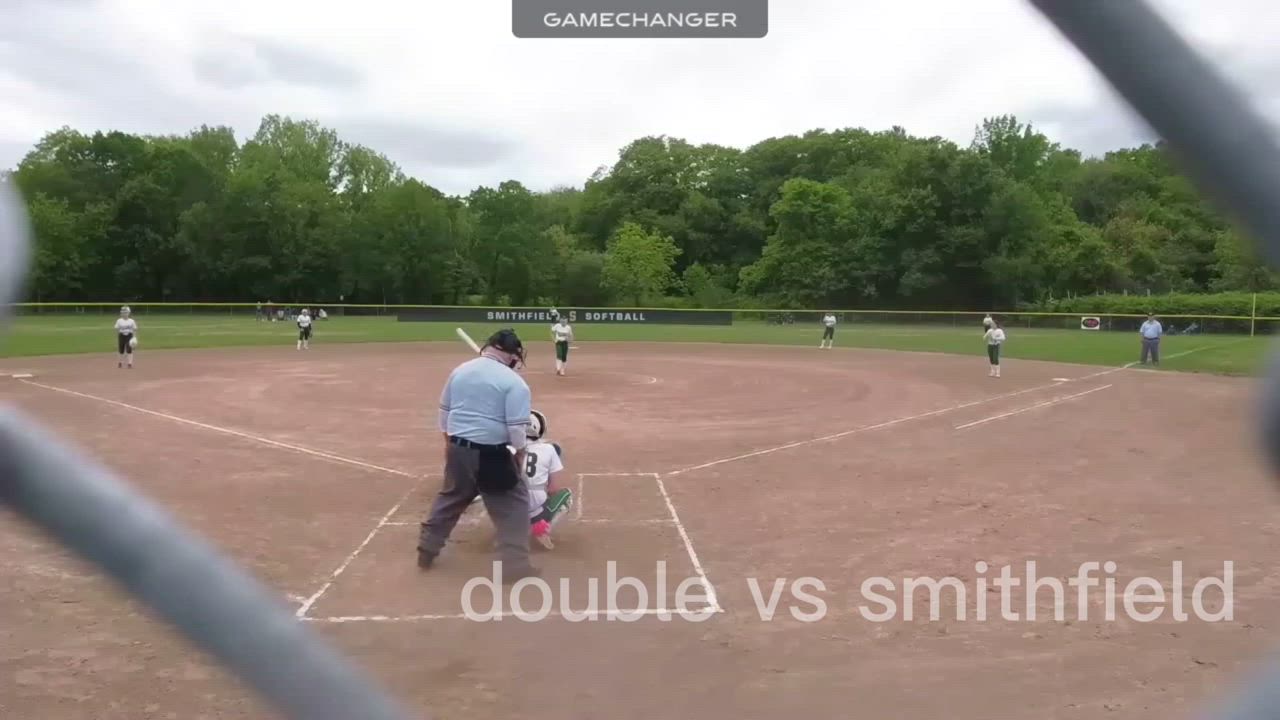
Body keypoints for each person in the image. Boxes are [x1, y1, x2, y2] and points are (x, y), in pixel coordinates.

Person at [418, 328, 539, 581]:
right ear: (513, 355)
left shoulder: (460, 371)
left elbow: (444, 412)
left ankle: (427, 549)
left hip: (458, 447)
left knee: (452, 497)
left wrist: (449, 443)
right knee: (514, 506)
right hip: (491, 454)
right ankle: (514, 566)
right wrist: (520, 452)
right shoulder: (514, 383)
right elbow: (516, 429)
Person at [519, 410, 573, 550]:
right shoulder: (549, 449)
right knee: (566, 496)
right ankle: (541, 528)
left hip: (510, 502)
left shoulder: (510, 448)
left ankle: (508, 530)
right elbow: (553, 489)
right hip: (535, 501)